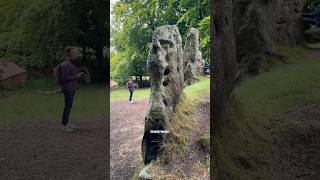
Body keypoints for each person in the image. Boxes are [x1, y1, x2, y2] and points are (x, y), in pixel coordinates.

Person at [59, 46, 84, 132]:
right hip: (67, 88)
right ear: (68, 53)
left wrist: (77, 75)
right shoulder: (65, 64)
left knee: (69, 106)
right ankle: (64, 125)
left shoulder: (71, 64)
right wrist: (76, 76)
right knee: (67, 106)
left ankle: (67, 122)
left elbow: (71, 75)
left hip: (72, 88)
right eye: (73, 52)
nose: (75, 54)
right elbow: (64, 78)